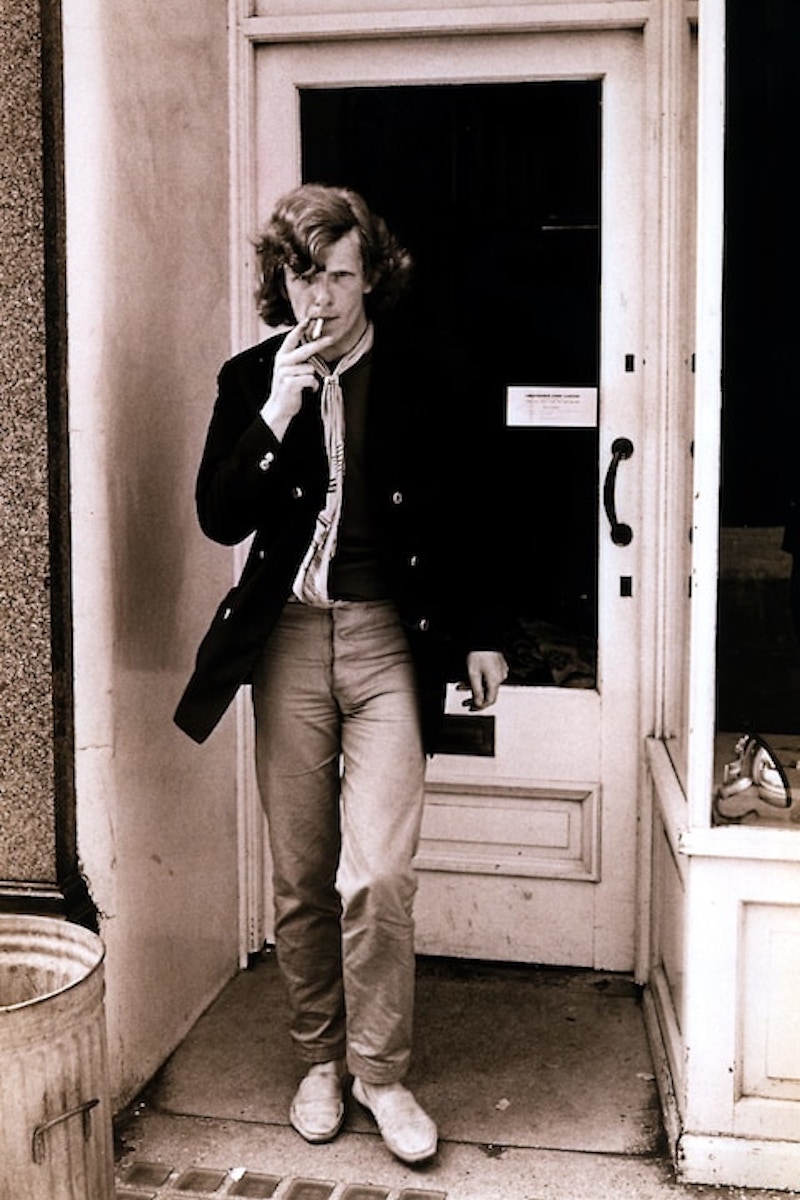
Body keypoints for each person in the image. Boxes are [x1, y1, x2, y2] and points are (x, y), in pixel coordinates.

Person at [174, 183, 508, 1164]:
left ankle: (380, 1071)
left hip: (384, 644)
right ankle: (318, 1059)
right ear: (281, 277)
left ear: (373, 275)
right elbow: (219, 517)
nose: (320, 295)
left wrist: (485, 631)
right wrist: (279, 406)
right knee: (300, 874)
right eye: (302, 273)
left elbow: (475, 511)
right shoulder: (248, 379)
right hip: (285, 644)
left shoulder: (425, 372)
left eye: (338, 274)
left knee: (377, 875)